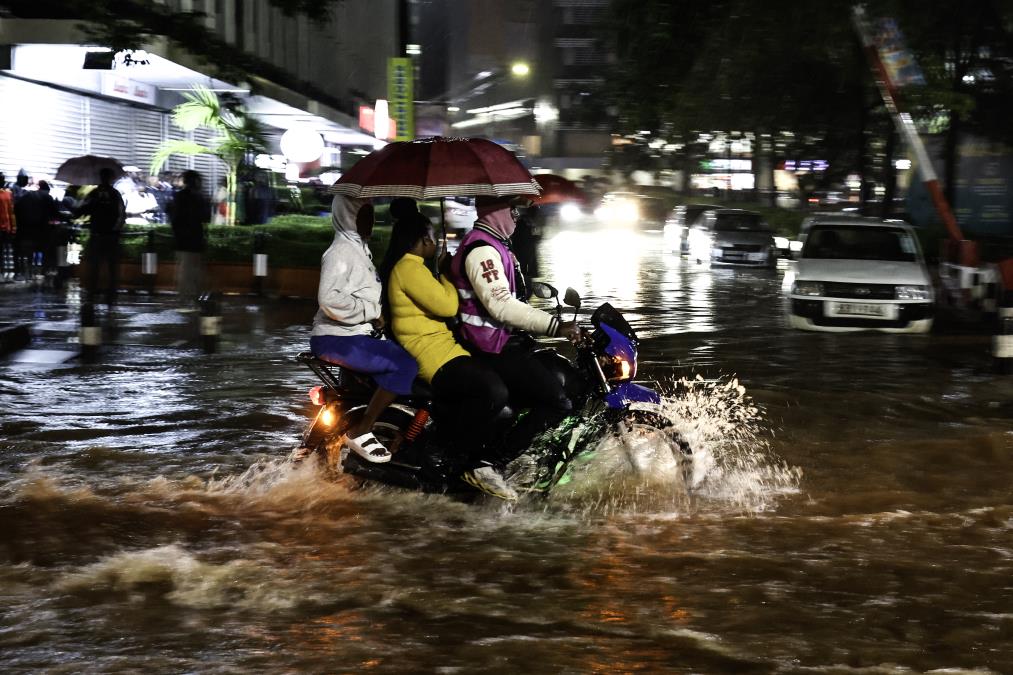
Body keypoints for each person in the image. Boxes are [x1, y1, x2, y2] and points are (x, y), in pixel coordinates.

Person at [379, 199, 516, 500]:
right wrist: (445, 272)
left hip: (444, 347)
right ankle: (445, 452)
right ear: (424, 239)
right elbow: (448, 304)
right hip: (431, 354)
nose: (434, 242)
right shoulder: (408, 268)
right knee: (493, 392)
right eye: (431, 236)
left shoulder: (414, 268)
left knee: (499, 389)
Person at [448, 195, 581, 461]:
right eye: (511, 209)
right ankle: (499, 461)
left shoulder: (496, 246)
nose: (516, 215)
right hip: (490, 346)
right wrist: (555, 326)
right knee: (558, 402)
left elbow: (515, 298)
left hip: (505, 340)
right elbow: (502, 306)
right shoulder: (482, 251)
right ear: (495, 211)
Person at [310, 194, 419, 463]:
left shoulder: (359, 248)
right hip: (336, 339)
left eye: (370, 213)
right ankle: (362, 429)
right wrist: (372, 312)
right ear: (348, 216)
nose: (370, 220)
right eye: (363, 214)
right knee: (405, 365)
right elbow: (329, 299)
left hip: (355, 335)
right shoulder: (341, 252)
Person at [77, 167, 126, 306]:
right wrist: (115, 231)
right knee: (112, 268)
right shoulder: (115, 194)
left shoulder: (94, 193)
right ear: (110, 179)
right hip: (111, 237)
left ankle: (92, 295)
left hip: (97, 235)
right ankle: (111, 297)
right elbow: (122, 215)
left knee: (94, 267)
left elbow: (83, 209)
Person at [167, 170, 211, 304]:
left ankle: (185, 298)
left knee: (184, 270)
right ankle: (193, 297)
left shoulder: (179, 196)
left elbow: (173, 217)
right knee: (194, 271)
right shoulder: (200, 197)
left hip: (182, 239)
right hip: (196, 238)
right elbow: (206, 217)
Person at [511, 203, 540, 278]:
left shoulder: (528, 222)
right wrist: (534, 238)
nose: (536, 214)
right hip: (522, 251)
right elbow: (523, 238)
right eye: (535, 212)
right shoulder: (523, 222)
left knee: (525, 271)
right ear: (531, 212)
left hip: (526, 251)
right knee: (522, 270)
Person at [0, 172, 15, 282]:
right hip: (3, 227)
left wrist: (13, 226)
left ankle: (4, 273)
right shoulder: (6, 194)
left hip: (6, 227)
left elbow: (11, 211)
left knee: (5, 250)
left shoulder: (7, 194)